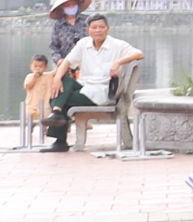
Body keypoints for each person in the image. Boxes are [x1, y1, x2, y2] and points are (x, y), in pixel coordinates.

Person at [52, 14, 145, 150]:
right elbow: (67, 61)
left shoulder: (117, 45)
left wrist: (118, 62)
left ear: (108, 29)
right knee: (63, 82)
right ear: (88, 30)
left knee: (62, 96)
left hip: (103, 90)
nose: (98, 30)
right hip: (84, 85)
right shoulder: (83, 44)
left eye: (101, 27)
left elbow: (139, 54)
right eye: (94, 27)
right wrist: (56, 78)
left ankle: (58, 131)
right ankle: (57, 111)